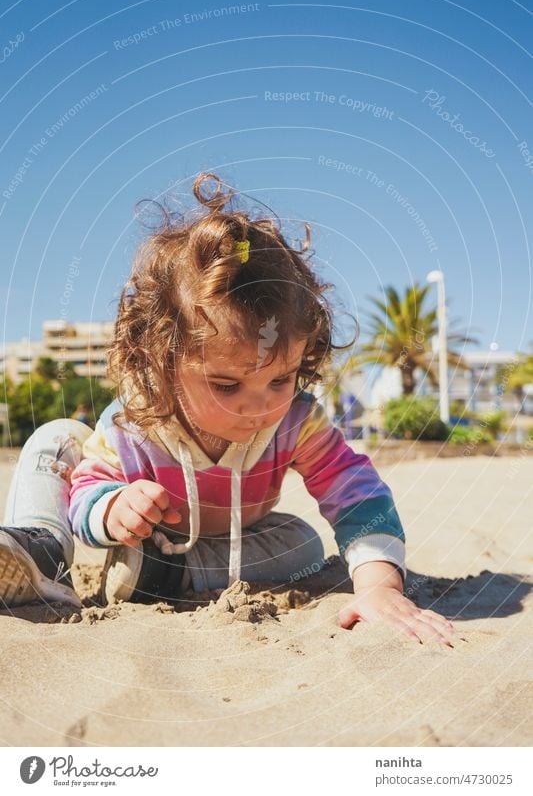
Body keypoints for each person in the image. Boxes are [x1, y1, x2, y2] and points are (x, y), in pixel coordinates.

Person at [0, 173, 456, 645]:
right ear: (164, 362)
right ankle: (40, 549)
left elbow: (357, 493)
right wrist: (113, 505)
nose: (258, 406)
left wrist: (381, 587)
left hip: (220, 547)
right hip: (143, 529)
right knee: (56, 435)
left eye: (280, 378)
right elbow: (87, 489)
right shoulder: (135, 419)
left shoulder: (297, 421)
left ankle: (163, 573)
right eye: (226, 384)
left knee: (304, 544)